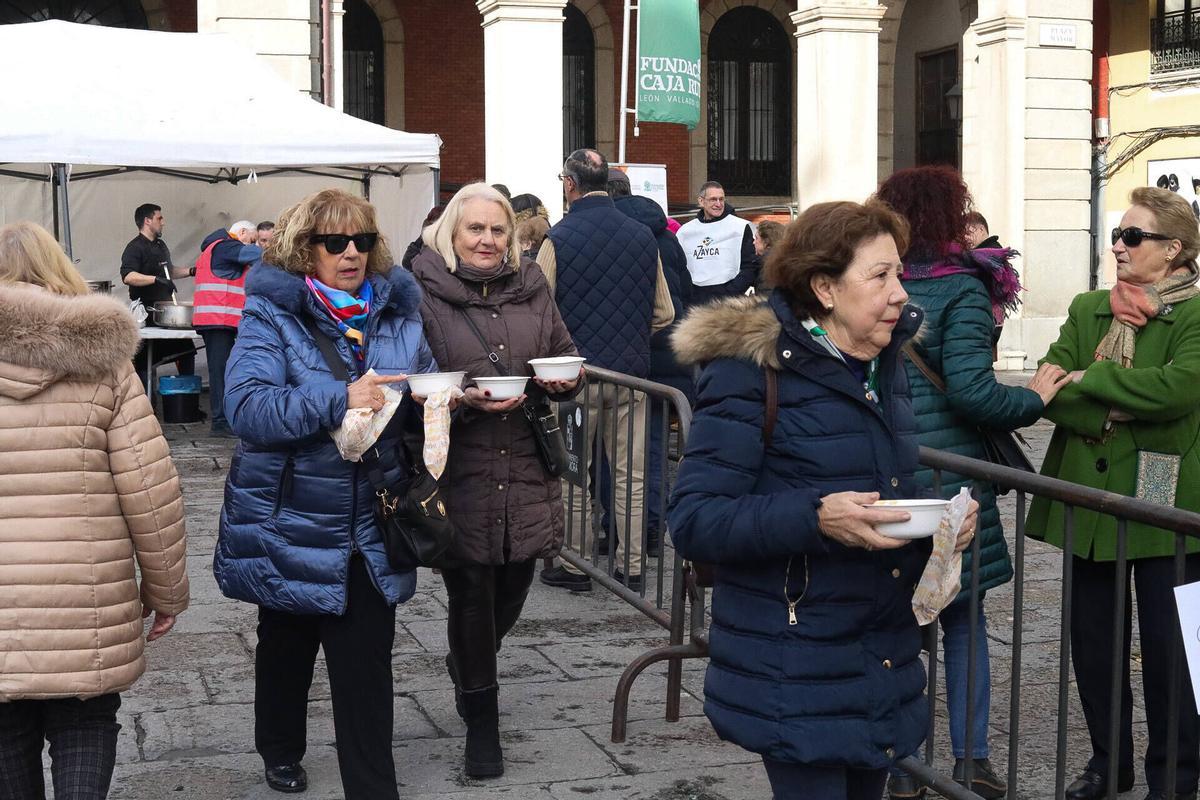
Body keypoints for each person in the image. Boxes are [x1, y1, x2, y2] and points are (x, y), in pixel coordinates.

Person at [667, 199, 978, 800]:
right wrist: (816, 517)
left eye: (900, 274)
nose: (900, 294)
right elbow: (696, 519)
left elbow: (882, 484)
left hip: (878, 653)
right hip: (795, 661)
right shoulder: (750, 370)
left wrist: (936, 523)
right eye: (880, 276)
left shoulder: (881, 363)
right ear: (825, 288)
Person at [214, 189, 437, 799]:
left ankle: (373, 786)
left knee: (366, 664)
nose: (350, 254)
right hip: (292, 515)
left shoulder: (397, 314)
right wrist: (339, 397)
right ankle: (280, 748)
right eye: (334, 242)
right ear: (302, 249)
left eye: (362, 241)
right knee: (287, 647)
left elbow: (417, 386)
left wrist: (439, 401)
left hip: (374, 516)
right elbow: (247, 407)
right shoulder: (271, 315)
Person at [875, 165, 1073, 800]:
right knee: (961, 619)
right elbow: (973, 391)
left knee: (895, 624)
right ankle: (970, 762)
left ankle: (900, 765)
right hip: (953, 475)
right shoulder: (962, 287)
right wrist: (1035, 397)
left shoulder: (875, 281)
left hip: (885, 466)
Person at [0, 221, 189, 800]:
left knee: (5, 729)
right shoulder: (104, 362)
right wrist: (166, 594)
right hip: (86, 591)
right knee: (85, 720)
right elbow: (152, 493)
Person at [1029, 186, 1200, 800]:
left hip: (1166, 497)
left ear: (1174, 249)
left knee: (1170, 651)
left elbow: (1180, 390)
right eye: (1117, 236)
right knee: (1095, 646)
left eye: (1133, 236)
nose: (1119, 247)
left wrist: (1091, 380)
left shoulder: (1197, 314)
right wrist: (1112, 401)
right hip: (1088, 497)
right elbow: (1050, 385)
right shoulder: (1086, 308)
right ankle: (1109, 764)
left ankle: (1174, 778)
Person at [410, 183, 582, 778]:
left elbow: (562, 351)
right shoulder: (422, 294)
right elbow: (414, 379)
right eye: (475, 229)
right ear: (452, 234)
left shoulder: (533, 288)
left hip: (525, 464)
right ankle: (482, 727)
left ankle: (467, 665)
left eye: (498, 230)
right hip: (460, 468)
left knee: (513, 588)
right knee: (472, 593)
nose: (487, 240)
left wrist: (564, 381)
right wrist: (458, 399)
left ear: (512, 237)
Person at [536, 148, 675, 593]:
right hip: (632, 376)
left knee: (575, 474)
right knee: (631, 474)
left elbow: (540, 312)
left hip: (575, 379)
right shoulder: (642, 237)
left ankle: (576, 566)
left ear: (570, 184)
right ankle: (630, 567)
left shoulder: (558, 238)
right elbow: (664, 312)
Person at [608, 166, 694, 554]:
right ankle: (654, 532)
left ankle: (618, 532)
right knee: (656, 450)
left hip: (628, 358)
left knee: (617, 455)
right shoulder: (666, 236)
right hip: (670, 358)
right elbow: (685, 294)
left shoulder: (617, 236)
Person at [193, 220, 262, 436]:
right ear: (241, 233)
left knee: (223, 370)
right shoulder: (226, 246)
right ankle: (221, 422)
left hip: (219, 320)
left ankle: (226, 418)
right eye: (251, 240)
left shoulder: (216, 247)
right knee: (221, 371)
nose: (253, 245)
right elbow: (257, 256)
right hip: (218, 319)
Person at [120, 203, 195, 384]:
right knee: (146, 361)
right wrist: (156, 279)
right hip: (145, 312)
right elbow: (128, 276)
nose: (163, 222)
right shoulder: (134, 247)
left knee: (186, 352)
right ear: (147, 221)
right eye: (159, 218)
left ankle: (187, 400)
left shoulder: (161, 246)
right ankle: (147, 402)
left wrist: (192, 271)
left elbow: (169, 272)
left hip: (165, 311)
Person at [675, 180, 760, 302]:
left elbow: (750, 266)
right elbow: (679, 268)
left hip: (728, 302)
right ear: (701, 201)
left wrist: (731, 293)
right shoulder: (685, 231)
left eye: (721, 199)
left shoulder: (739, 227)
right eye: (713, 199)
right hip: (694, 302)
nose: (718, 204)